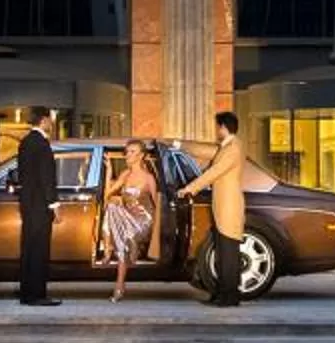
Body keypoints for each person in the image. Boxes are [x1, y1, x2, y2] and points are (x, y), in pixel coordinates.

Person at [177, 111, 250, 307]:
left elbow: (214, 172)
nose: (216, 130)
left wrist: (189, 189)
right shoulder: (226, 147)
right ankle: (221, 293)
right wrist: (180, 146)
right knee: (222, 252)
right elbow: (208, 156)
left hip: (229, 206)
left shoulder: (234, 148)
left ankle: (230, 296)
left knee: (228, 254)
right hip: (222, 206)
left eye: (217, 126)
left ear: (223, 127)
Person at [96, 143, 161, 302]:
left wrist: (157, 232)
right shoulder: (125, 174)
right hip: (126, 218)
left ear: (141, 156)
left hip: (143, 219)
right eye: (127, 152)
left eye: (132, 152)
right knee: (111, 205)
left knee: (123, 234)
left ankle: (119, 282)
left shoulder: (148, 178)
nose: (128, 155)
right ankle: (109, 253)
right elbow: (107, 195)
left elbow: (158, 205)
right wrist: (109, 171)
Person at [13, 105, 60, 307]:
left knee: (29, 249)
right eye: (50, 119)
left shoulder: (25, 142)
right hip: (40, 206)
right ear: (43, 120)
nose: (51, 122)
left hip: (28, 204)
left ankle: (27, 293)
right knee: (40, 250)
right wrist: (54, 204)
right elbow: (46, 177)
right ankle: (37, 295)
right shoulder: (41, 144)